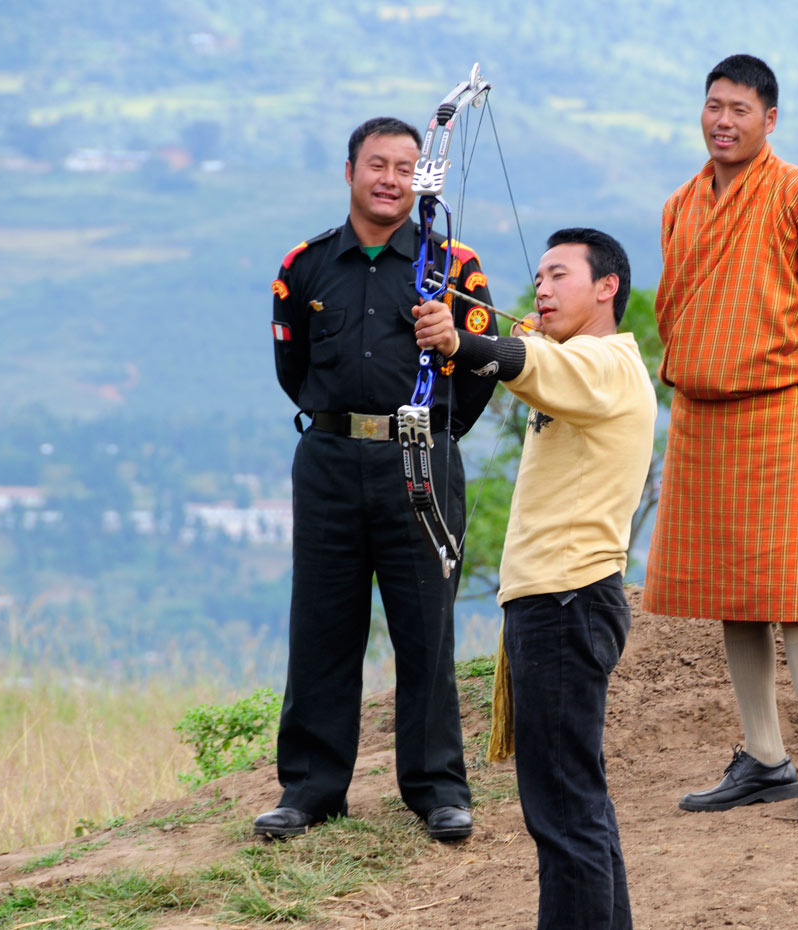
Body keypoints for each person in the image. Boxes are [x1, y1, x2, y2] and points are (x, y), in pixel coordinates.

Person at [643, 54, 798, 824]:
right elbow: (673, 309)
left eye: (740, 110)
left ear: (769, 119)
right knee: (732, 592)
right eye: (714, 106)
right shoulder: (680, 205)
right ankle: (764, 754)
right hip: (703, 415)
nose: (723, 121)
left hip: (782, 409)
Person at [258, 116, 498, 841]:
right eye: (377, 164)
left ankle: (436, 790)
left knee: (426, 625)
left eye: (404, 166)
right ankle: (309, 790)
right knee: (322, 625)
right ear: (350, 171)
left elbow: (485, 364)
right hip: (329, 462)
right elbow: (292, 370)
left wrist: (437, 417)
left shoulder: (451, 264)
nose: (390, 179)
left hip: (419, 461)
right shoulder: (305, 265)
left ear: (420, 177)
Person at [418, 228, 654, 930]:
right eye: (539, 279)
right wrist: (469, 324)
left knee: (562, 812)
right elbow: (533, 354)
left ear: (607, 287)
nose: (542, 289)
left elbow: (527, 362)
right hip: (563, 598)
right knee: (577, 801)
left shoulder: (606, 362)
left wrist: (460, 342)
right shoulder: (581, 359)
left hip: (566, 600)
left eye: (560, 276)